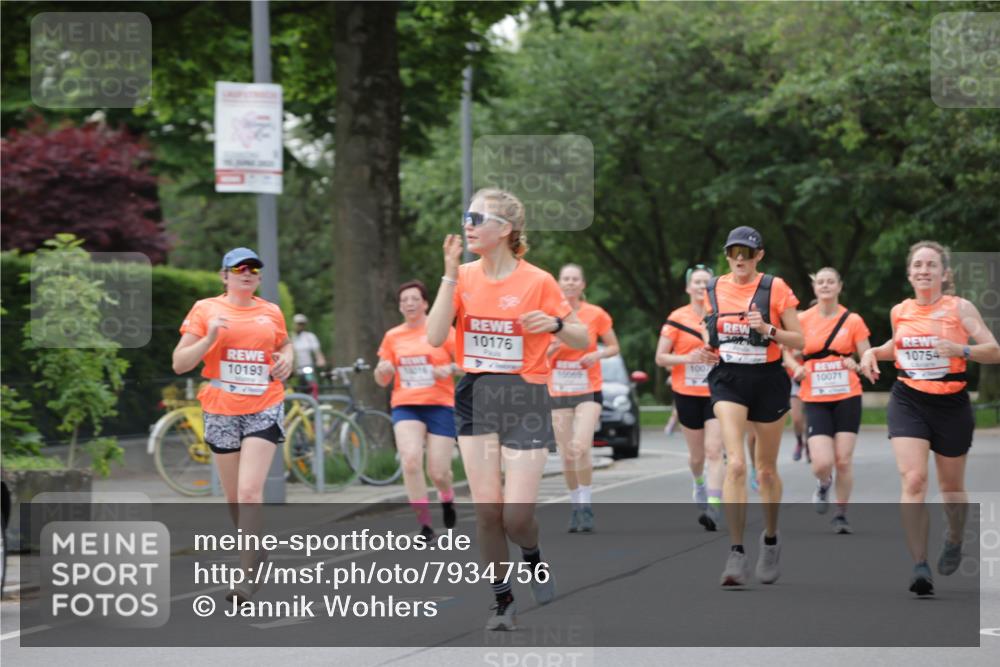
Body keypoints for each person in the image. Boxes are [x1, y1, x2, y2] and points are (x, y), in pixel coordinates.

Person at [426, 187, 588, 631]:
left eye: (478, 218)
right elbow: (436, 336)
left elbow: (581, 338)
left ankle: (533, 557)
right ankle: (502, 601)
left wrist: (555, 323)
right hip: (476, 395)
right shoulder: (462, 276)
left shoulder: (537, 281)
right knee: (487, 510)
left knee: (517, 515)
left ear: (506, 229)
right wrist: (448, 275)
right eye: (467, 217)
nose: (468, 225)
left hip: (525, 397)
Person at [860, 241, 999, 596]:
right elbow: (898, 346)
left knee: (951, 488)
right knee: (915, 479)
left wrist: (961, 349)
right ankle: (920, 564)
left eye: (931, 265)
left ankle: (954, 537)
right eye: (918, 265)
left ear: (944, 273)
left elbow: (994, 351)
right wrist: (874, 352)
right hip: (909, 399)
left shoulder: (960, 308)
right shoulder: (900, 310)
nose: (924, 270)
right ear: (909, 273)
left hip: (951, 403)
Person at [172, 248, 293, 601]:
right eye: (238, 268)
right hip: (222, 408)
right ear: (223, 276)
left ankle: (244, 577)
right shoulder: (205, 309)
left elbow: (285, 346)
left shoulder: (270, 312)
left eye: (253, 269)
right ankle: (255, 548)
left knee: (250, 491)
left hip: (264, 405)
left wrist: (286, 360)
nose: (247, 273)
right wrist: (209, 340)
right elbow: (180, 363)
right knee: (233, 498)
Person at [702, 226, 804, 587]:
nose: (740, 259)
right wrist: (707, 346)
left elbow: (801, 340)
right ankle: (735, 552)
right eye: (734, 252)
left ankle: (771, 540)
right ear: (727, 255)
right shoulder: (713, 287)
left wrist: (770, 330)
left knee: (766, 471)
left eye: (747, 252)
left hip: (768, 379)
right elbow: (710, 329)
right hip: (728, 378)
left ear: (759, 255)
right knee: (737, 464)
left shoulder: (775, 288)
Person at [375, 280, 460, 542]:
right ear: (400, 307)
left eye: (414, 299)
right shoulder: (393, 336)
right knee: (410, 460)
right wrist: (383, 371)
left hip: (440, 404)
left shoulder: (443, 331)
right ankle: (424, 525)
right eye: (404, 301)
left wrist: (450, 370)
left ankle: (447, 498)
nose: (409, 304)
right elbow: (381, 378)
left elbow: (467, 365)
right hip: (406, 404)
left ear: (425, 303)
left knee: (439, 472)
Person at [792, 268, 871, 534]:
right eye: (820, 282)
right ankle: (823, 484)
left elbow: (867, 357)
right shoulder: (802, 319)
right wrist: (796, 367)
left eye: (830, 282)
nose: (825, 286)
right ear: (815, 288)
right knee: (822, 463)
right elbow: (785, 353)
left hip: (847, 394)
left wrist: (856, 364)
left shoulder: (853, 320)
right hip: (815, 396)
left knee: (844, 460)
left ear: (839, 286)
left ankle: (841, 514)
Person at [547, 263, 620, 533]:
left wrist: (596, 354)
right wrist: (551, 351)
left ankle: (587, 505)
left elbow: (614, 347)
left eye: (575, 279)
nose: (569, 283)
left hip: (588, 388)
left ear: (582, 285)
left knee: (580, 446)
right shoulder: (549, 316)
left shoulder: (595, 314)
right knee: (567, 454)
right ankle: (575, 506)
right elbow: (535, 355)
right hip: (558, 390)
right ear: (558, 283)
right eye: (565, 279)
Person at [655, 264, 724, 531]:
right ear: (687, 288)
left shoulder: (720, 316)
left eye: (706, 282)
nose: (700, 287)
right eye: (696, 282)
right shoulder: (676, 318)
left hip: (717, 392)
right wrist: (687, 358)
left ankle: (715, 506)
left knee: (715, 451)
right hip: (687, 392)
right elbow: (660, 357)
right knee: (697, 457)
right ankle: (699, 483)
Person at [784, 347, 810, 462]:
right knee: (796, 418)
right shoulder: (787, 334)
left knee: (811, 418)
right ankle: (800, 442)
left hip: (811, 378)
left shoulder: (810, 332)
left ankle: (810, 446)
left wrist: (803, 352)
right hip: (794, 379)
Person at [292, 313, 326, 397]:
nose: (300, 326)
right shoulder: (290, 336)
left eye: (302, 324)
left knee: (311, 383)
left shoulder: (309, 337)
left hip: (307, 367)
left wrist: (320, 359)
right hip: (294, 368)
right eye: (298, 324)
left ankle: (313, 400)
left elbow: (317, 351)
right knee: (294, 386)